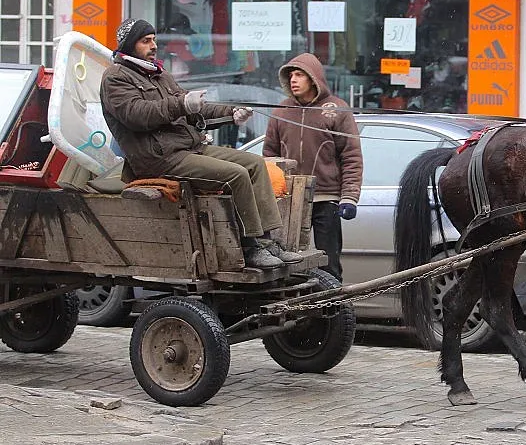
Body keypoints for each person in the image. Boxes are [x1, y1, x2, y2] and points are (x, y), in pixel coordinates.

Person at [99, 18, 301, 269]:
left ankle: (267, 241)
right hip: (158, 158)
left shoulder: (159, 74)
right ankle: (250, 247)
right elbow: (138, 115)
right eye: (145, 41)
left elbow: (195, 108)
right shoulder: (115, 78)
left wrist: (232, 112)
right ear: (130, 45)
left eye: (154, 40)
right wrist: (181, 105)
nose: (153, 46)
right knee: (235, 175)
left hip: (188, 148)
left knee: (255, 163)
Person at [263, 53, 363, 281]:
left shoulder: (337, 109)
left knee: (328, 265)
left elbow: (352, 157)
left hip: (325, 199)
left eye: (299, 75)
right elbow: (269, 155)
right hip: (289, 201)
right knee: (290, 264)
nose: (293, 80)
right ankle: (298, 313)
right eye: (290, 76)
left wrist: (349, 197)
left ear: (313, 78)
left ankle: (331, 314)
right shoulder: (281, 111)